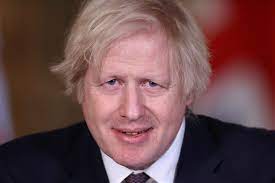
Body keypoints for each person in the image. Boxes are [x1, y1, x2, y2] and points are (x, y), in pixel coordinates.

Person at [0, 0, 274, 182]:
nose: (132, 111)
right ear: (81, 86)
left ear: (189, 89)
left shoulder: (264, 166)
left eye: (152, 84)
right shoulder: (17, 171)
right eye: (112, 83)